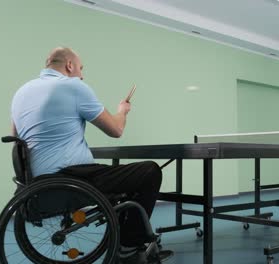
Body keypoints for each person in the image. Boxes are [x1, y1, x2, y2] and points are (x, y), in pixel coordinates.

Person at [11, 47, 172, 263]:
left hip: (35, 186)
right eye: (80, 68)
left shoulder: (21, 92)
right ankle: (129, 246)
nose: (82, 74)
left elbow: (15, 136)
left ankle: (124, 236)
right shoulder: (74, 87)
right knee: (149, 171)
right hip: (72, 179)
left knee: (121, 179)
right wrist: (122, 110)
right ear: (69, 65)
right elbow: (116, 130)